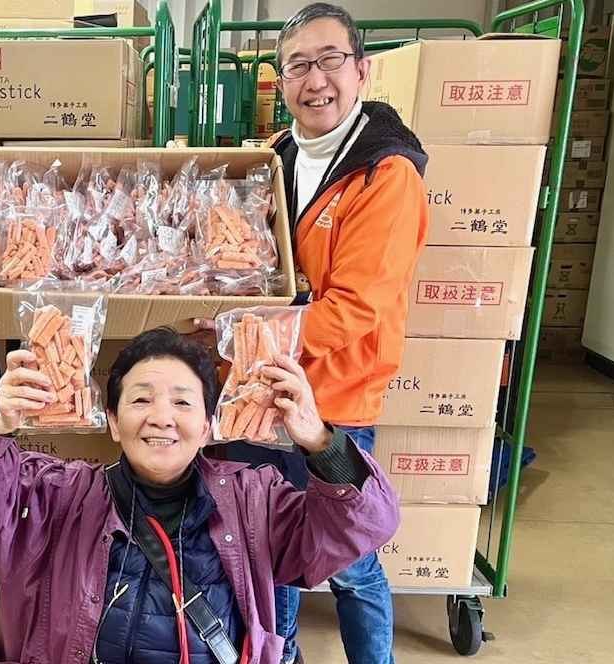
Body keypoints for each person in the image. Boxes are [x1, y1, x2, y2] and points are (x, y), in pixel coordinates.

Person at [0, 327, 400, 663]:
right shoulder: (57, 497)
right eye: (141, 399)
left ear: (208, 426)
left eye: (183, 402)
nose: (161, 417)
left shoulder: (254, 501)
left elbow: (367, 523)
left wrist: (319, 439)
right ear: (112, 421)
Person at [219, 4, 430, 664]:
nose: (315, 80)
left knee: (349, 557)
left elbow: (356, 307)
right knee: (276, 546)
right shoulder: (277, 158)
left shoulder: (384, 173)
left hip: (335, 398)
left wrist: (244, 334)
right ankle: (279, 654)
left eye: (330, 60)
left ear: (361, 71)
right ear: (280, 82)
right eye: (297, 66)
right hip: (268, 391)